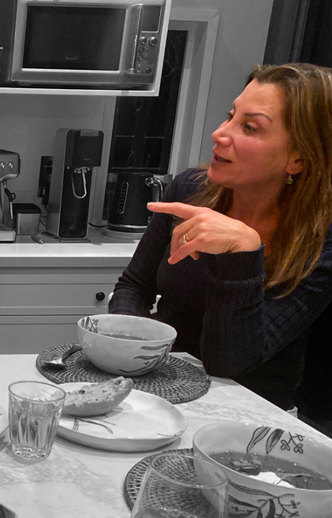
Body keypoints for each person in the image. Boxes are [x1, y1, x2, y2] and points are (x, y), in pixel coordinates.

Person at [110, 62, 332, 411]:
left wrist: (243, 254)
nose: (220, 133)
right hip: (160, 392)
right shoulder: (188, 190)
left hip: (251, 415)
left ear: (298, 158)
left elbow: (229, 362)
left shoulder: (322, 239)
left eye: (249, 127)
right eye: (229, 116)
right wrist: (135, 346)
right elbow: (134, 285)